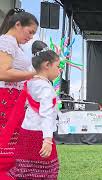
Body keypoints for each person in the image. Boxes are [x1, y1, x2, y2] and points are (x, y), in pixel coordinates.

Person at [3, 41, 60, 179]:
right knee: (45, 170)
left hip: (26, 133)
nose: (59, 70)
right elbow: (46, 114)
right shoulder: (45, 88)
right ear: (47, 65)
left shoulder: (31, 83)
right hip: (40, 135)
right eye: (57, 66)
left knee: (26, 169)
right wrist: (47, 140)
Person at [0, 8, 38, 177]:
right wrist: (33, 74)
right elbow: (2, 72)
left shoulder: (16, 46)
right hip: (6, 100)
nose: (30, 37)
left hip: (14, 100)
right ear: (17, 24)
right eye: (30, 32)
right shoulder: (7, 41)